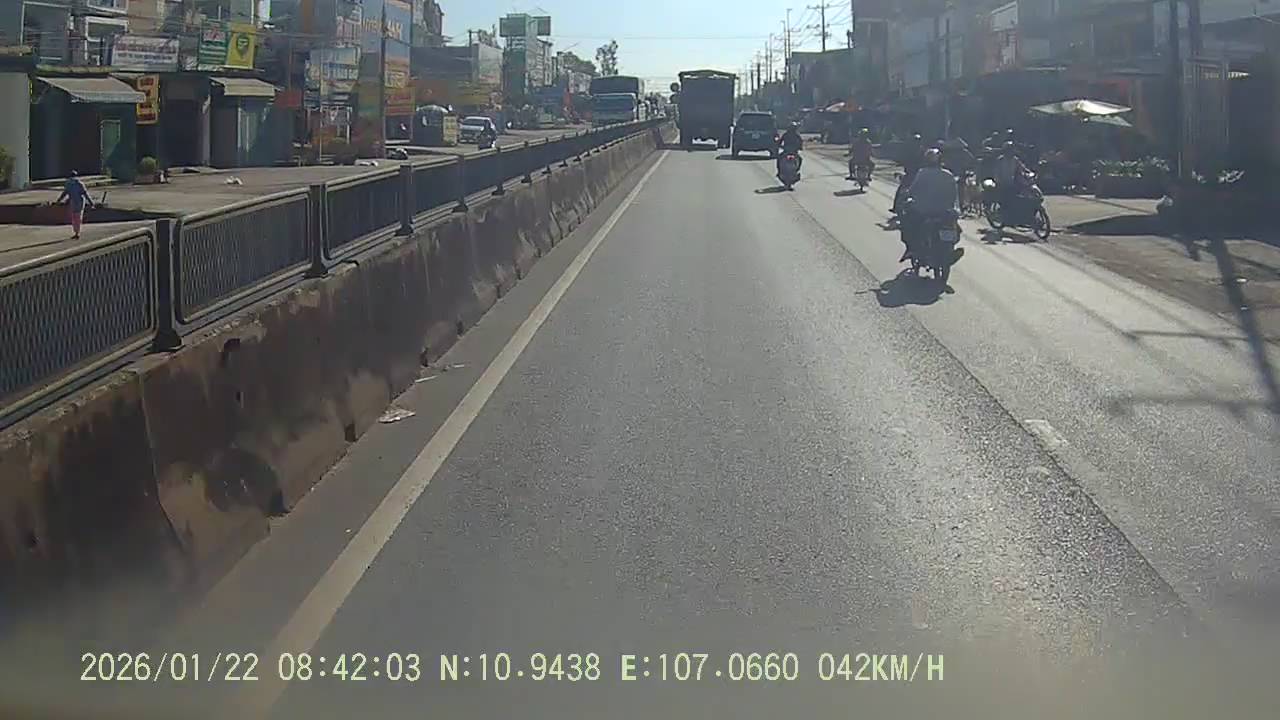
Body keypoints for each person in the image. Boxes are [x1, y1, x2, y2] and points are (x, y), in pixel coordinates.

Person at [900, 148, 963, 266]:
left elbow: (913, 190)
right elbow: (954, 194)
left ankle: (912, 249)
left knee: (908, 224)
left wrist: (907, 195)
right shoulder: (948, 175)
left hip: (923, 211)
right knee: (955, 227)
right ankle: (948, 250)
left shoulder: (922, 173)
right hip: (945, 212)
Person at [54, 170, 93, 240]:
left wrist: (58, 201)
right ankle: (77, 232)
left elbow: (64, 193)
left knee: (75, 217)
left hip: (75, 202)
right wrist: (91, 202)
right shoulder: (79, 183)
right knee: (77, 217)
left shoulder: (69, 183)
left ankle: (76, 232)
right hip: (78, 202)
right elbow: (85, 193)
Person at [892, 134, 925, 215]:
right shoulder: (917, 150)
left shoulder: (919, 151)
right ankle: (896, 207)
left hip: (915, 174)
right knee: (902, 189)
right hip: (913, 174)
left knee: (902, 189)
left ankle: (896, 207)